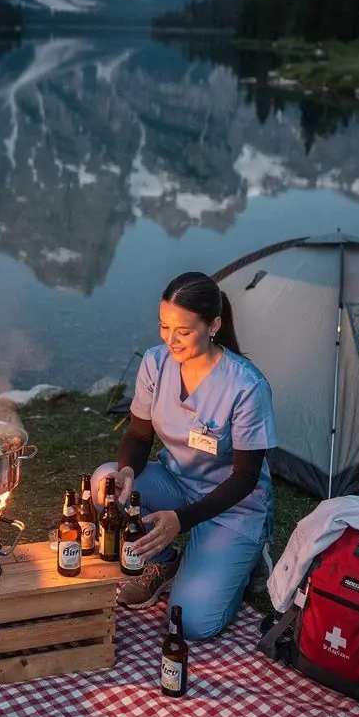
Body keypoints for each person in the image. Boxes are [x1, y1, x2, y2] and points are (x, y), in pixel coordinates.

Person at [92, 271, 276, 640]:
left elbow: (245, 478)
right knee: (105, 483)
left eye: (183, 331)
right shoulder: (156, 363)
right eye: (164, 326)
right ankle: (167, 564)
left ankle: (244, 559)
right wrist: (128, 469)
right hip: (176, 482)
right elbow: (139, 434)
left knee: (192, 623)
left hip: (232, 506)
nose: (170, 340)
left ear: (214, 326)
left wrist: (183, 519)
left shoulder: (246, 386)